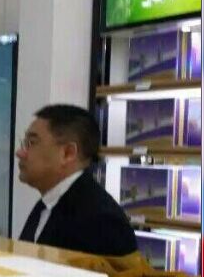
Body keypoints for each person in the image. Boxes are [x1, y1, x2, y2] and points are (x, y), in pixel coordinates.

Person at [16, 104, 137, 256]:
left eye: (31, 143)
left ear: (68, 153)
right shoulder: (46, 206)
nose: (20, 153)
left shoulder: (102, 221)